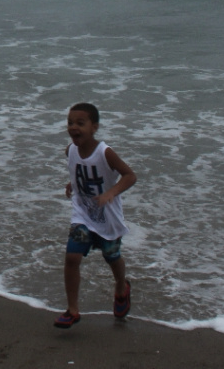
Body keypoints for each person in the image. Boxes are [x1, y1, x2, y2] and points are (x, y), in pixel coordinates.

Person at [54, 102, 136, 329]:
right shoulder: (70, 150)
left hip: (107, 217)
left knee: (111, 257)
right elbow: (79, 168)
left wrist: (111, 192)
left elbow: (130, 176)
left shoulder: (104, 152)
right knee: (72, 257)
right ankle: (72, 310)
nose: (73, 127)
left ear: (94, 127)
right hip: (82, 214)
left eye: (80, 123)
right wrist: (73, 182)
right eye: (70, 123)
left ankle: (121, 287)